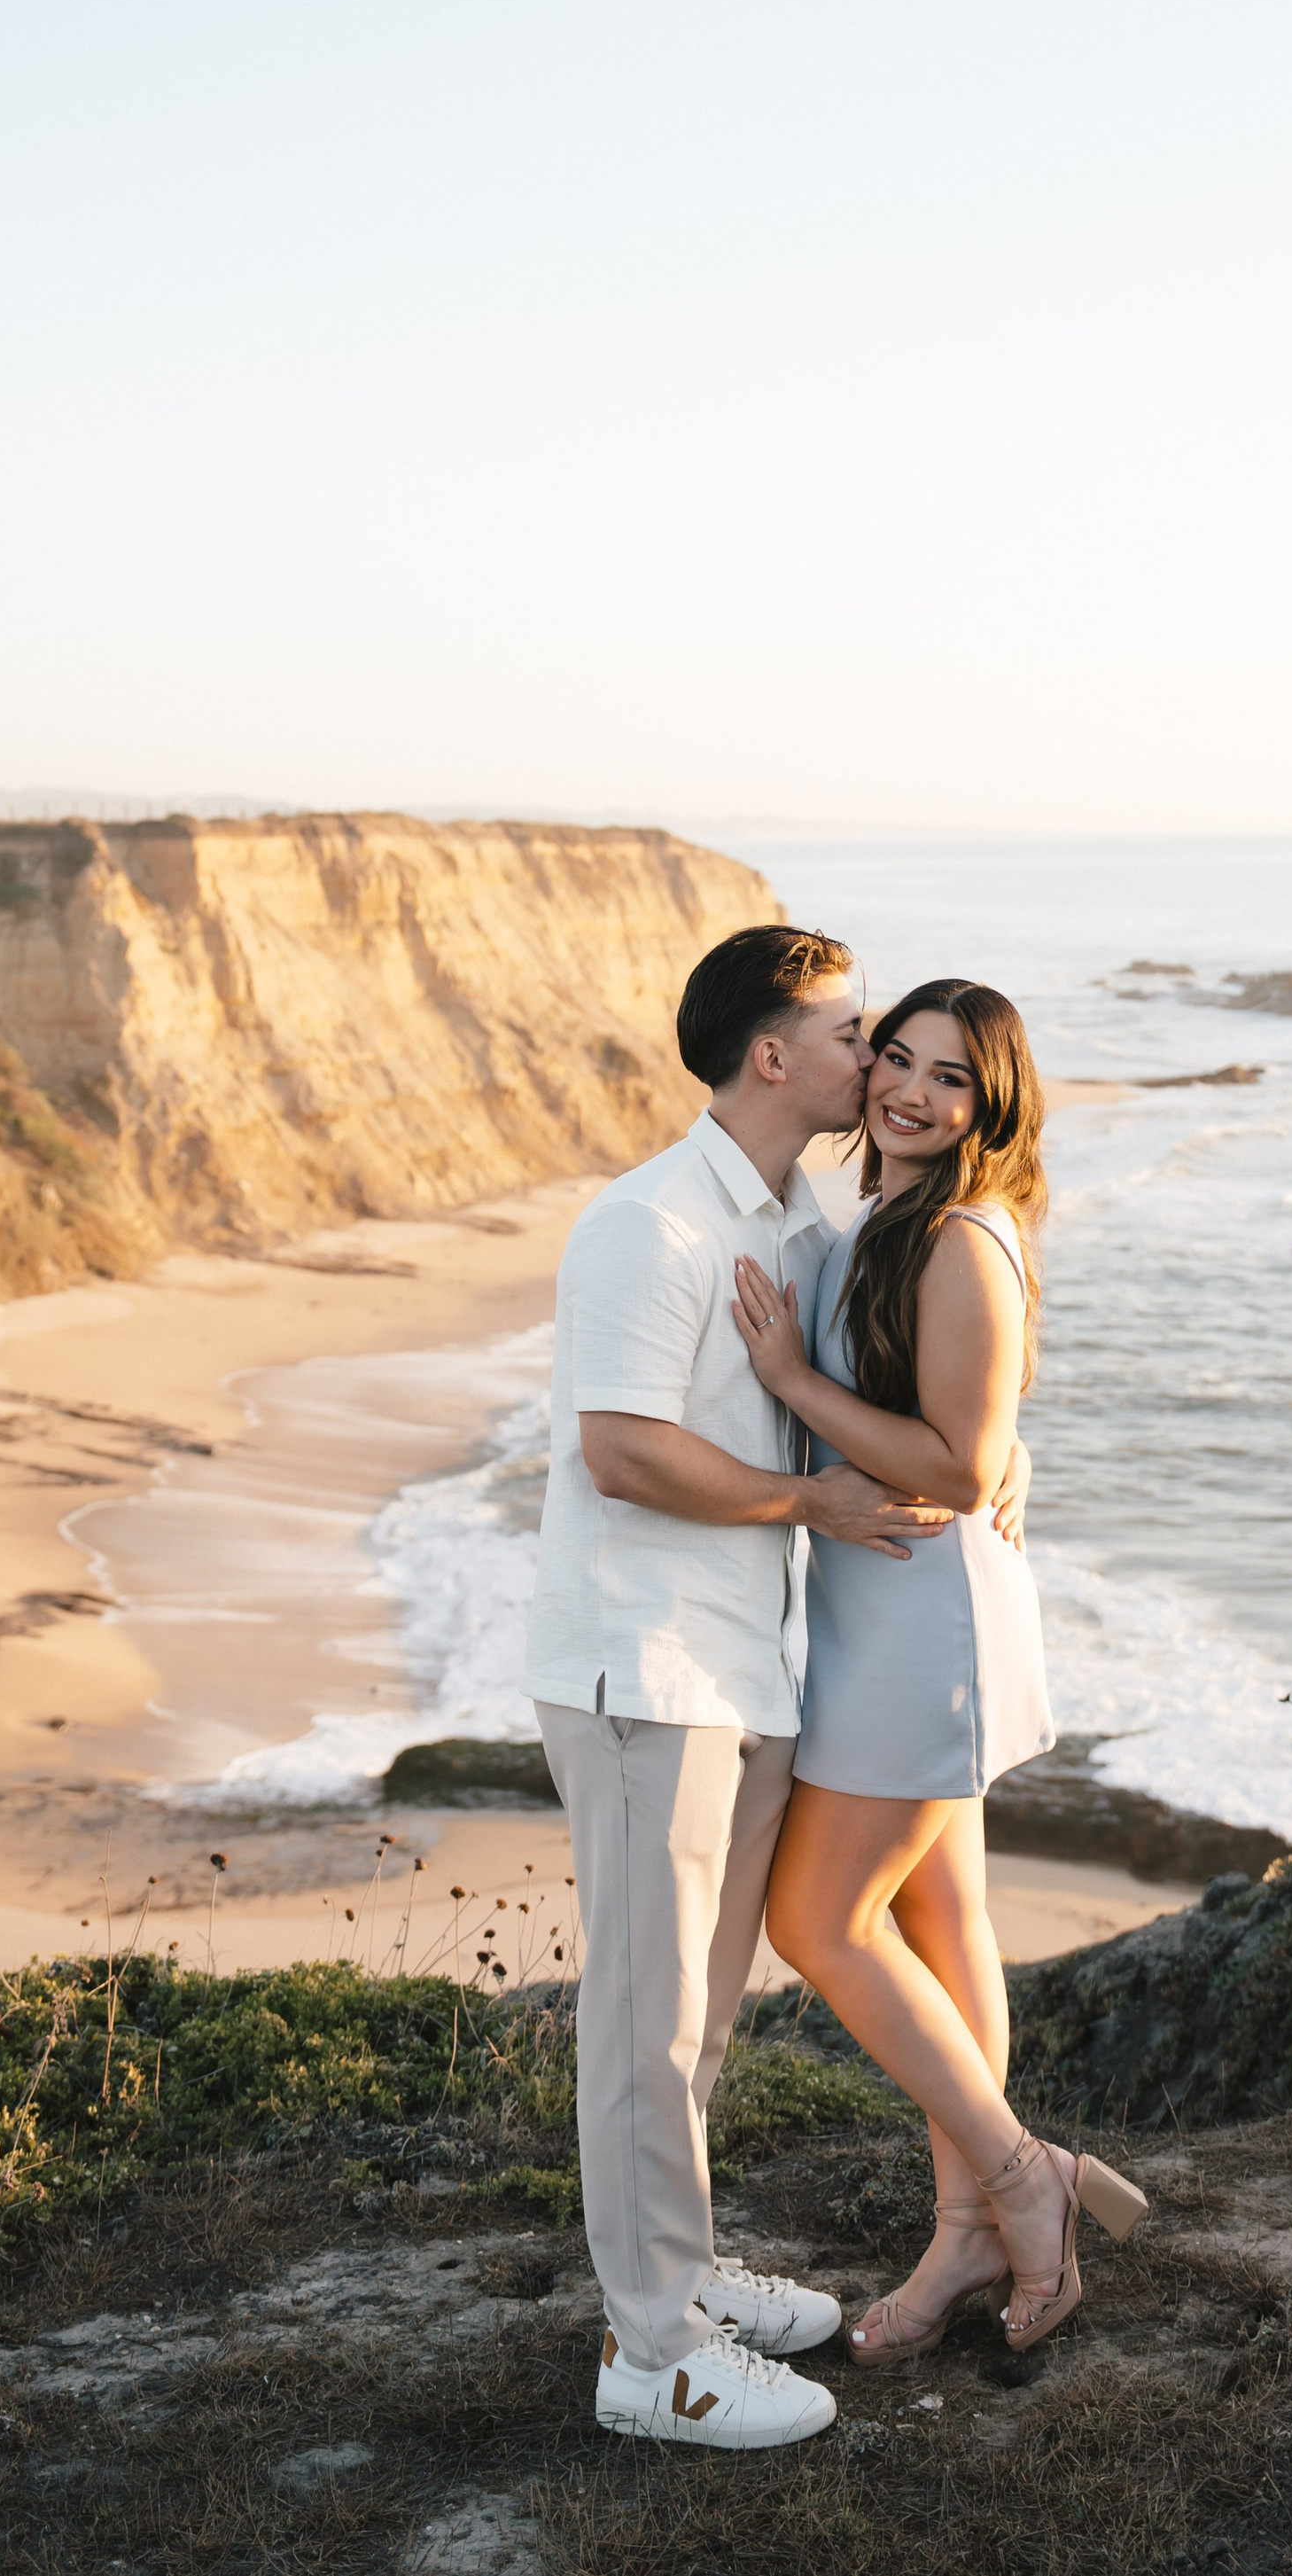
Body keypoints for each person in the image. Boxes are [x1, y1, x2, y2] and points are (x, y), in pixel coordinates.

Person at [525, 922, 1030, 2452]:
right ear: (773, 1054)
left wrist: (999, 1463)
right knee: (641, 2024)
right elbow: (621, 1450)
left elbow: (909, 1399)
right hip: (642, 1673)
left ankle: (679, 2277)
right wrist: (811, 1504)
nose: (873, 1057)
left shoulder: (802, 1224)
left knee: (698, 2011)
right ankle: (659, 2355)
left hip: (751, 1668)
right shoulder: (650, 1223)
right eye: (855, 1029)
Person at [732, 977, 1148, 2371]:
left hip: (924, 1630)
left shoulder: (959, 1235)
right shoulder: (889, 1223)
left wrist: (792, 1380)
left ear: (996, 1103)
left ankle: (1022, 2177)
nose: (909, 1088)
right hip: (885, 1612)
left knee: (818, 1917)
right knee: (947, 1912)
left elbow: (964, 1465)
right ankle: (968, 2223)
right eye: (893, 1057)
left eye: (950, 1077)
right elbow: (977, 1429)